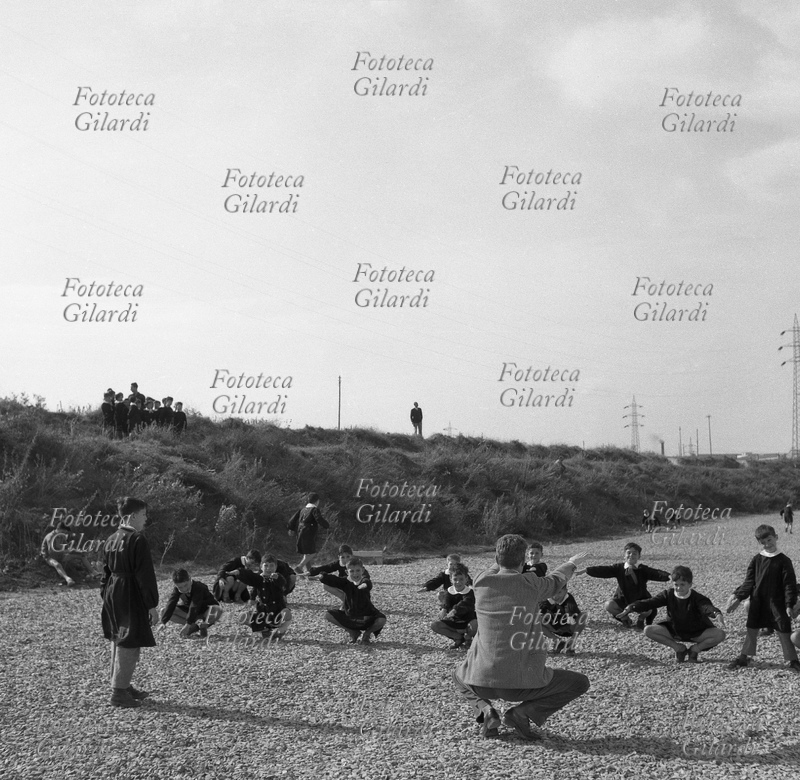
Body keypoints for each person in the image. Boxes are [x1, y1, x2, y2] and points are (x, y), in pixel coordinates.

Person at [453, 534, 589, 741]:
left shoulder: (481, 581)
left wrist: (504, 555)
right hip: (522, 686)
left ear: (497, 559)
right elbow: (555, 580)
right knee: (580, 683)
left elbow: (498, 565)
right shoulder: (530, 583)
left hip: (480, 681)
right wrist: (571, 563)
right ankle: (521, 714)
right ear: (523, 560)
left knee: (458, 675)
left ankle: (486, 711)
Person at [100, 497, 159, 708]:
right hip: (129, 591)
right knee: (130, 640)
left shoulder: (111, 538)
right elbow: (145, 575)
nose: (145, 519)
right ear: (132, 516)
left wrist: (105, 594)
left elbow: (105, 572)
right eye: (143, 515)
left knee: (118, 636)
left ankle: (122, 685)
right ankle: (118, 692)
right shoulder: (137, 540)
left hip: (113, 591)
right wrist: (152, 605)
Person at [726, 524, 800, 672]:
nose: (767, 544)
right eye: (763, 542)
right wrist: (739, 599)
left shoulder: (784, 560)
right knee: (752, 628)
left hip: (777, 603)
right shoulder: (756, 560)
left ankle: (793, 660)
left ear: (776, 537)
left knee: (783, 629)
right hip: (758, 601)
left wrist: (789, 604)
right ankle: (744, 657)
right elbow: (749, 582)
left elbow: (789, 585)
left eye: (770, 540)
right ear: (759, 542)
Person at [619, 565, 726, 663]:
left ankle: (694, 650)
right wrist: (631, 607)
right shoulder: (668, 594)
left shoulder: (697, 597)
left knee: (720, 634)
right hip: (675, 631)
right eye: (676, 584)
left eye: (682, 584)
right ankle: (679, 648)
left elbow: (706, 606)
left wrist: (716, 614)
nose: (679, 588)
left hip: (697, 632)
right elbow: (650, 602)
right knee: (648, 630)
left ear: (690, 584)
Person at [582, 542, 670, 630]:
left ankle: (641, 619)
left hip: (640, 599)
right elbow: (604, 570)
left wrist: (669, 576)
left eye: (634, 553)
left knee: (649, 609)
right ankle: (625, 619)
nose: (631, 555)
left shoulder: (642, 569)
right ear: (624, 555)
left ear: (639, 556)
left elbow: (656, 573)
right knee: (609, 605)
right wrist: (587, 570)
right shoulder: (619, 568)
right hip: (623, 599)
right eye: (628, 553)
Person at [319, 557, 386, 644]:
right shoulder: (345, 582)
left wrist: (364, 585)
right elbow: (333, 580)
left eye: (358, 570)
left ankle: (367, 634)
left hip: (367, 617)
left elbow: (367, 582)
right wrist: (322, 576)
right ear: (347, 572)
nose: (355, 574)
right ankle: (352, 632)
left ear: (362, 570)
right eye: (352, 571)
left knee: (382, 620)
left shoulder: (364, 580)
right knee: (328, 615)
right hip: (350, 616)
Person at [235, 555, 293, 639]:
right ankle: (263, 632)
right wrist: (252, 598)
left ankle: (281, 630)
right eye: (266, 565)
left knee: (286, 613)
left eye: (271, 565)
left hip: (277, 611)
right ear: (261, 567)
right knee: (242, 617)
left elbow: (283, 583)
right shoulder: (259, 578)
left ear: (276, 567)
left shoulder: (277, 577)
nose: (268, 568)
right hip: (263, 612)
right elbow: (255, 588)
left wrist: (277, 578)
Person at [160, 568, 221, 638]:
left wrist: (188, 623)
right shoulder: (177, 590)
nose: (184, 589)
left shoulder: (199, 587)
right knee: (163, 611)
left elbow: (194, 605)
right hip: (191, 612)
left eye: (185, 585)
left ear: (190, 579)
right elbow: (171, 603)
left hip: (206, 610)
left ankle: (203, 627)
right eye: (180, 587)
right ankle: (193, 627)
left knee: (217, 609)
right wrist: (164, 622)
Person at [431, 563, 477, 650]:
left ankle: (468, 638)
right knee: (435, 625)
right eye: (455, 579)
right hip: (454, 621)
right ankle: (458, 637)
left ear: (466, 579)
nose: (458, 582)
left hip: (468, 620)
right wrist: (444, 609)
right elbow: (446, 601)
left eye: (461, 579)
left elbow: (465, 602)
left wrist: (454, 610)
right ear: (451, 579)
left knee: (476, 624)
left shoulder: (470, 592)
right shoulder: (449, 591)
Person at [41, 521, 97, 586]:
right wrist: (66, 551)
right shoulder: (50, 537)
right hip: (49, 557)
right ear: (60, 529)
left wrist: (76, 551)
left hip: (61, 555)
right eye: (64, 531)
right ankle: (68, 579)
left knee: (81, 556)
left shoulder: (62, 536)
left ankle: (94, 572)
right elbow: (51, 552)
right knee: (57, 564)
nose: (65, 533)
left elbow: (67, 547)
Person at [538, 581, 585, 655]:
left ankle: (571, 642)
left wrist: (569, 615)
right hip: (556, 627)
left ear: (565, 591)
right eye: (554, 592)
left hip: (570, 627)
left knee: (583, 615)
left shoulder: (568, 598)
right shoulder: (548, 599)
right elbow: (540, 608)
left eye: (559, 592)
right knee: (535, 619)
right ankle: (557, 641)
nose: (556, 596)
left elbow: (570, 607)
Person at [287, 492, 329, 573]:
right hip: (308, 533)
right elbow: (318, 518)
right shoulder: (314, 509)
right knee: (312, 553)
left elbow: (292, 519)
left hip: (300, 532)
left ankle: (309, 573)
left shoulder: (302, 510)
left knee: (307, 554)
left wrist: (291, 528)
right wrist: (326, 525)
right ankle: (299, 567)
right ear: (317, 501)